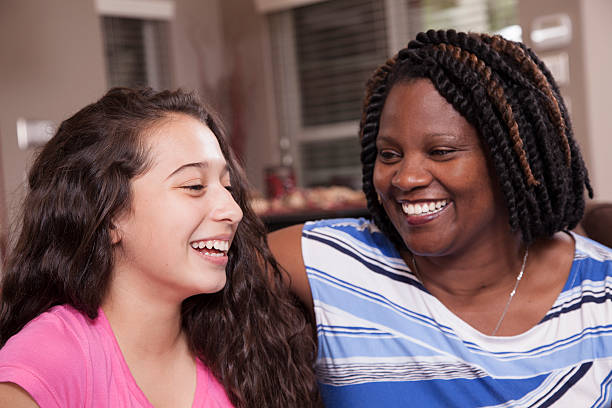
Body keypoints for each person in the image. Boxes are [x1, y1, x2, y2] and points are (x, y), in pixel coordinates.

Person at [269, 29, 612, 407]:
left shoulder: (602, 297)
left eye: (442, 151)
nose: (406, 178)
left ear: (512, 162)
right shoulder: (330, 263)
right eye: (389, 154)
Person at [0, 88, 320, 407]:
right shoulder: (46, 362)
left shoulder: (241, 348)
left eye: (227, 187)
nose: (233, 211)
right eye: (194, 186)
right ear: (109, 215)